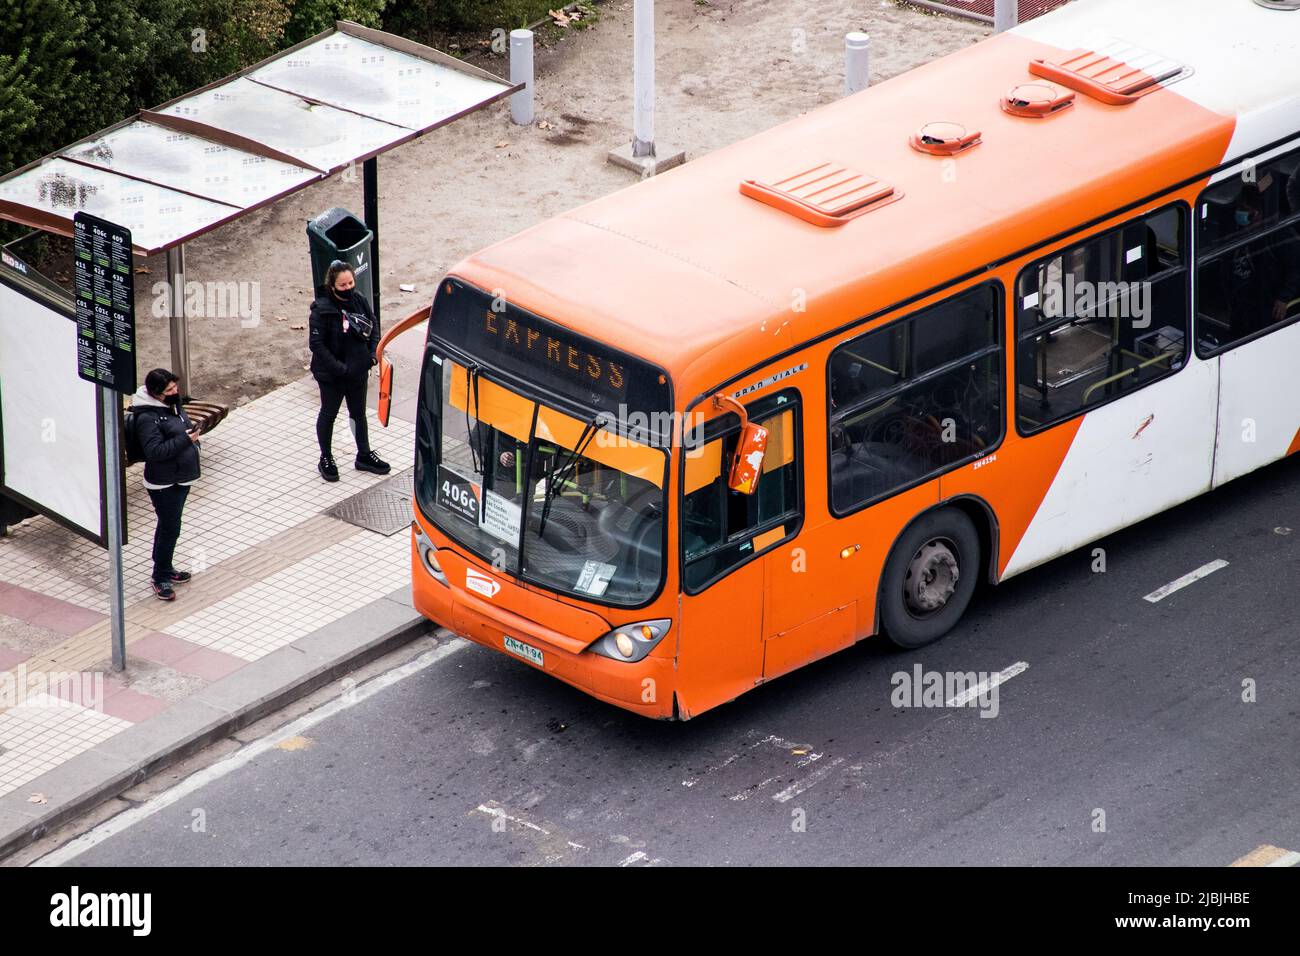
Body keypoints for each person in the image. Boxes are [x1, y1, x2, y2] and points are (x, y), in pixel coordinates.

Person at [308, 261, 390, 481]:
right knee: (328, 414)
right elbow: (317, 345)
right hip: (332, 376)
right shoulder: (321, 310)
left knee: (359, 414)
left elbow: (373, 326)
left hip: (358, 372)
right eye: (343, 284)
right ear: (332, 286)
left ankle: (364, 454)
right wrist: (340, 368)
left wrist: (373, 353)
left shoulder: (359, 301)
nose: (348, 287)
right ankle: (325, 457)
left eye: (350, 282)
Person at [131, 369, 200, 601]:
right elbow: (155, 451)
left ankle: (165, 567)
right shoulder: (146, 418)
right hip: (164, 482)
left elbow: (182, 426)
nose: (174, 392)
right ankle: (160, 575)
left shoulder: (172, 405)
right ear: (155, 393)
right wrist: (186, 440)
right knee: (170, 527)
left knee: (169, 525)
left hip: (181, 476)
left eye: (175, 387)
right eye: (169, 390)